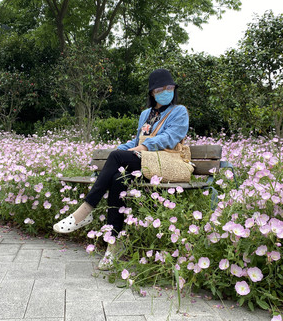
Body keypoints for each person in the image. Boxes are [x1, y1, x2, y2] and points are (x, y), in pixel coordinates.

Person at [53, 68, 189, 269]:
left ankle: (85, 211)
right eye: (161, 88)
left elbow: (170, 137)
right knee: (117, 177)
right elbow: (136, 141)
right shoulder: (146, 114)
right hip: (144, 161)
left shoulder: (179, 111)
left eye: (170, 87)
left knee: (117, 158)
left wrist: (140, 148)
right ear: (152, 92)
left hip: (163, 162)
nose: (167, 91)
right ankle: (113, 246)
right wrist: (121, 150)